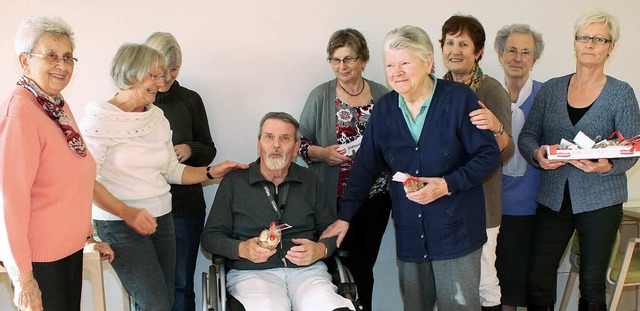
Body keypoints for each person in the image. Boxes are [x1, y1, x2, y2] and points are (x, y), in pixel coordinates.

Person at [322, 25, 501, 310]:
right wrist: (345, 217)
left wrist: (446, 184)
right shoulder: (384, 109)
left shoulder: (458, 99)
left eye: (405, 62)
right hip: (411, 233)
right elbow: (365, 168)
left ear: (428, 62)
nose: (396, 72)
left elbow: (487, 155)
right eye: (390, 64)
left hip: (456, 231)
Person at [79, 43, 247, 311]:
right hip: (120, 223)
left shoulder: (157, 117)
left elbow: (171, 170)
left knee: (164, 302)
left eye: (164, 74)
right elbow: (84, 180)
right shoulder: (100, 119)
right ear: (130, 74)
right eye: (153, 76)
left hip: (162, 220)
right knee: (155, 305)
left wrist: (210, 172)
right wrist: (127, 212)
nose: (162, 81)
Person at [519, 10, 640, 310]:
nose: (590, 44)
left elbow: (633, 147)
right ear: (574, 43)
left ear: (611, 47)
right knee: (536, 281)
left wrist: (609, 166)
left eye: (599, 39)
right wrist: (537, 155)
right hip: (553, 199)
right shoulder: (551, 89)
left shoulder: (621, 93)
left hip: (601, 201)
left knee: (592, 285)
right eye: (584, 37)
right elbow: (527, 136)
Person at [0, 16, 113, 311]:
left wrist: (86, 236)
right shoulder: (21, 114)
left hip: (68, 251)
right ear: (25, 62)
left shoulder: (55, 106)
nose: (62, 66)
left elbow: (73, 176)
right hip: (40, 261)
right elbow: (8, 203)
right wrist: (24, 279)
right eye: (51, 56)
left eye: (67, 57)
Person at [201, 112, 355, 311]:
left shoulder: (310, 180)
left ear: (296, 148)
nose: (276, 145)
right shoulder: (235, 182)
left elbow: (331, 229)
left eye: (285, 138)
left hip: (307, 272)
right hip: (253, 273)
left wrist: (321, 249)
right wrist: (241, 249)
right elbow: (210, 237)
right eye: (269, 137)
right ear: (259, 144)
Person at [298, 28, 390, 311]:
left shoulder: (383, 95)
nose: (342, 66)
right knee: (334, 267)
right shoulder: (321, 96)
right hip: (332, 200)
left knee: (364, 268)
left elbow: (397, 142)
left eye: (348, 59)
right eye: (335, 60)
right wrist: (323, 154)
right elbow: (300, 144)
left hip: (375, 200)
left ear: (363, 60)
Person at [439, 15, 514, 311]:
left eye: (463, 44)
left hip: (482, 200)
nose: (454, 50)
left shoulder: (491, 90)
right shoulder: (434, 89)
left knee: (483, 279)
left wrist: (496, 128)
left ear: (478, 51)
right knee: (451, 282)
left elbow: (505, 154)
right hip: (444, 198)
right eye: (449, 42)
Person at [144, 31, 217, 311]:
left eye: (174, 70)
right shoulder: (134, 102)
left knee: (181, 286)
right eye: (162, 70)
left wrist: (190, 150)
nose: (167, 78)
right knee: (149, 289)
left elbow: (209, 149)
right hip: (144, 210)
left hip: (185, 208)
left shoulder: (190, 100)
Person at [493, 24, 545, 311]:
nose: (517, 57)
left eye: (526, 52)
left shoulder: (547, 95)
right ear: (500, 55)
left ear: (534, 60)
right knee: (497, 291)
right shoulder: (487, 93)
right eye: (511, 50)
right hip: (493, 209)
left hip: (534, 208)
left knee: (531, 288)